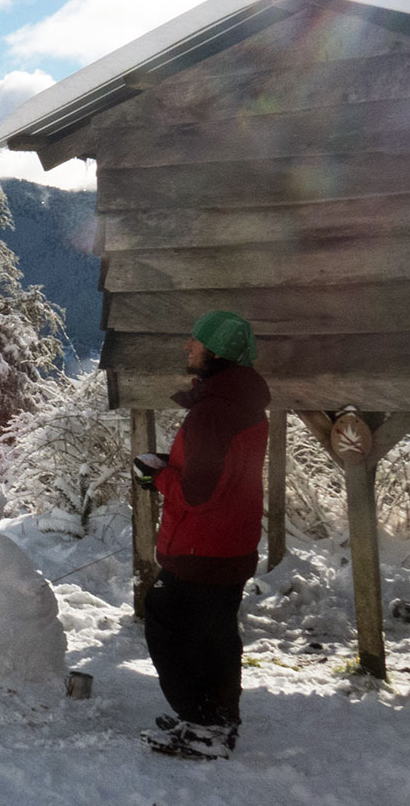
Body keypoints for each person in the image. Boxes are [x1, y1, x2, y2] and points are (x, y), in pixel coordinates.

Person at [134, 310, 270, 761]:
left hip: (201, 547)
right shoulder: (242, 404)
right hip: (230, 544)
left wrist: (159, 479)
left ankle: (203, 725)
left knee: (170, 626)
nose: (187, 347)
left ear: (216, 354)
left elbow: (197, 492)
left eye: (196, 342)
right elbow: (220, 473)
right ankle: (214, 719)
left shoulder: (211, 414)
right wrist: (171, 465)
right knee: (214, 635)